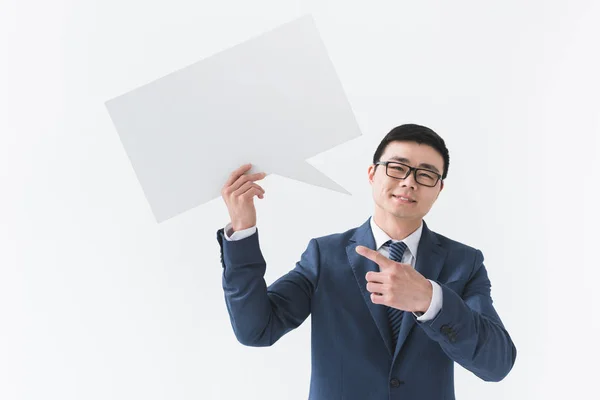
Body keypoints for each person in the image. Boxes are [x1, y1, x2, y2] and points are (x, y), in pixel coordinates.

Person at [216, 124, 517, 400]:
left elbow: (497, 364)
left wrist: (431, 300)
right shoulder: (325, 255)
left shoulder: (463, 262)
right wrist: (243, 231)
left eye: (425, 175)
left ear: (438, 189)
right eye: (397, 168)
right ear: (372, 174)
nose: (409, 182)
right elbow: (256, 330)